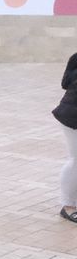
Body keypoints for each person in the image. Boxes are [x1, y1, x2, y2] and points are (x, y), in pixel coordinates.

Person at [59, 51, 77, 225]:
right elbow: (66, 83)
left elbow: (64, 83)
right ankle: (68, 205)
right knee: (76, 160)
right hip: (72, 117)